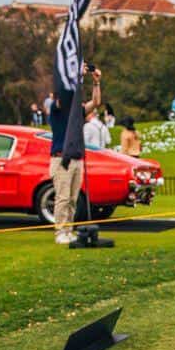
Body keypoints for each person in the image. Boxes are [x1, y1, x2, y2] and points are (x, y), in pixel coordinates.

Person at [47, 66, 101, 244]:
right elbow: (63, 98)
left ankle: (68, 229)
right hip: (62, 158)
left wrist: (96, 82)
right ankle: (60, 232)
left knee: (72, 198)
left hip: (77, 158)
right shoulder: (56, 110)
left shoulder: (78, 111)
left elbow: (96, 102)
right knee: (62, 197)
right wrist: (76, 77)